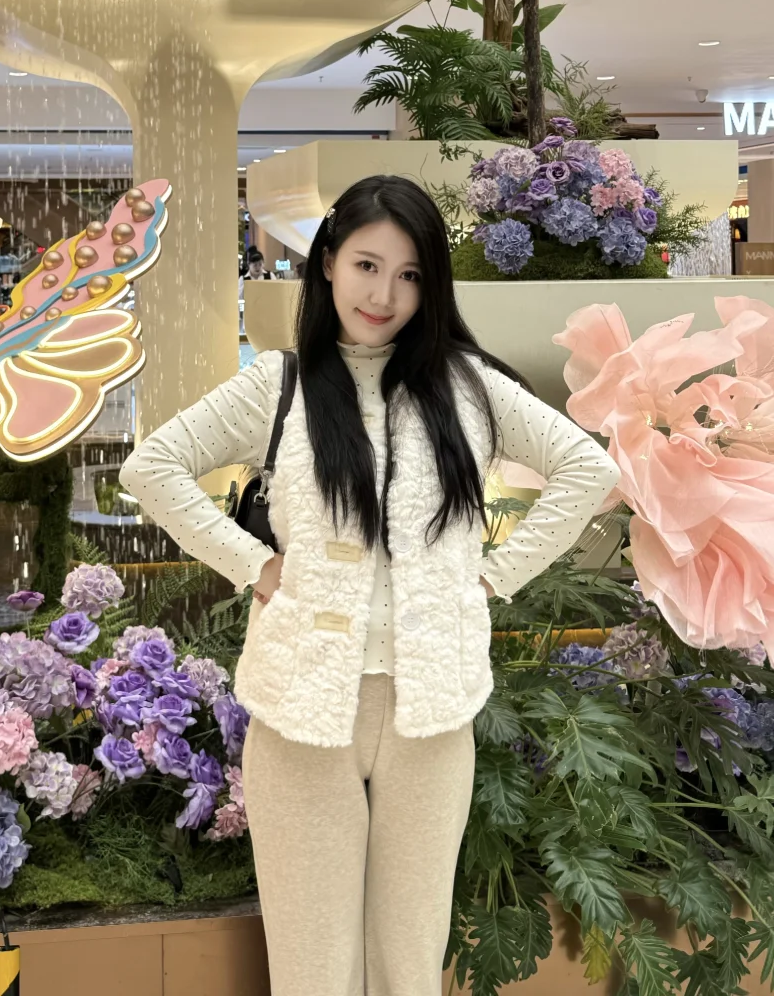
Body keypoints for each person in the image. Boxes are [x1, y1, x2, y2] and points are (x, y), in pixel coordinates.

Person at [121, 174, 619, 996]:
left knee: (409, 964)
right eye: (366, 265)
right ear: (327, 263)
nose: (384, 295)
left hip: (431, 711)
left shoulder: (468, 388)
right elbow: (153, 468)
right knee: (313, 969)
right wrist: (254, 564)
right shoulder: (278, 386)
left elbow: (587, 469)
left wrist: (493, 577)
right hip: (301, 710)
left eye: (410, 274)